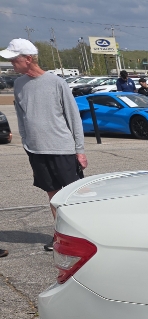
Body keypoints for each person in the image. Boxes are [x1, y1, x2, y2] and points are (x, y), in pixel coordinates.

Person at [0, 39, 87, 251]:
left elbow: (73, 117)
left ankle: (84, 237)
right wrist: (26, 141)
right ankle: (61, 236)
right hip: (36, 149)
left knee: (72, 195)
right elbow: (22, 115)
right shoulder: (19, 84)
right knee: (52, 194)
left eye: (14, 59)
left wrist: (80, 150)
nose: (12, 64)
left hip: (62, 148)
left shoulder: (57, 83)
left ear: (28, 59)